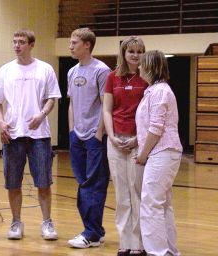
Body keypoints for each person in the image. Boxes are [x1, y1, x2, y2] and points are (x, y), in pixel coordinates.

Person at [0, 29, 61, 241]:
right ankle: (16, 222)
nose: (17, 45)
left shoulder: (45, 69)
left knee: (43, 182)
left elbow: (52, 98)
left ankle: (47, 222)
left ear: (31, 44)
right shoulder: (5, 70)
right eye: (14, 42)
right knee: (13, 183)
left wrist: (42, 115)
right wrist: (2, 122)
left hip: (39, 135)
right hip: (13, 135)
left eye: (21, 42)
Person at [103, 36, 148, 256]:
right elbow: (107, 110)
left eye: (139, 51)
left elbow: (150, 114)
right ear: (124, 53)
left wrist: (138, 138)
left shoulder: (147, 78)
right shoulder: (112, 77)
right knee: (121, 195)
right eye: (131, 51)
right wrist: (111, 137)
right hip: (116, 141)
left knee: (136, 192)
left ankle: (139, 242)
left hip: (137, 141)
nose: (135, 55)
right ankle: (125, 241)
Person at [66, 27, 111, 249]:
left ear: (87, 45)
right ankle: (96, 231)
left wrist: (99, 133)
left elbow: (106, 105)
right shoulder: (72, 72)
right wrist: (72, 131)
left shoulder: (101, 70)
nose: (70, 46)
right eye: (70, 42)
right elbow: (72, 103)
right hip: (77, 136)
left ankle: (91, 233)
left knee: (94, 184)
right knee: (83, 183)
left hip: (95, 136)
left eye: (74, 42)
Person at [135, 50, 182, 256]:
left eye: (142, 64)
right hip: (161, 152)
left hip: (161, 151)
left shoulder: (160, 91)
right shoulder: (154, 91)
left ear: (151, 67)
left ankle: (157, 252)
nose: (138, 67)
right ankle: (169, 251)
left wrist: (143, 154)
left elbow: (156, 128)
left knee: (151, 203)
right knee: (162, 205)